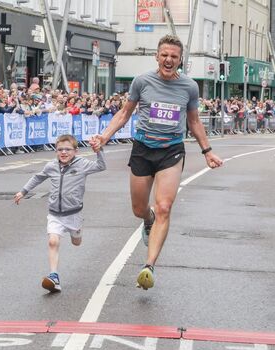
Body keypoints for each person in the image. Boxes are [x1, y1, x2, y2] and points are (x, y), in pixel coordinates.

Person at [89, 35, 223, 290]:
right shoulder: (142, 82)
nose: (168, 60)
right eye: (164, 55)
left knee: (164, 206)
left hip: (170, 151)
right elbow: (125, 113)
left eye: (173, 56)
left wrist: (208, 151)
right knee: (140, 209)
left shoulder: (189, 87)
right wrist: (104, 136)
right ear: (157, 56)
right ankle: (147, 220)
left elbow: (194, 121)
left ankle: (148, 266)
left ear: (180, 59)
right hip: (142, 149)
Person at [13, 134, 106, 293]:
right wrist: (23, 191)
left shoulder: (82, 164)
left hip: (74, 213)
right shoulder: (51, 166)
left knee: (77, 243)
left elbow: (101, 166)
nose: (64, 152)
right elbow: (38, 178)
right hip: (55, 213)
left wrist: (99, 150)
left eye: (68, 149)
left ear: (76, 151)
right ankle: (54, 277)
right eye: (60, 149)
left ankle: (76, 231)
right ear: (56, 151)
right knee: (53, 242)